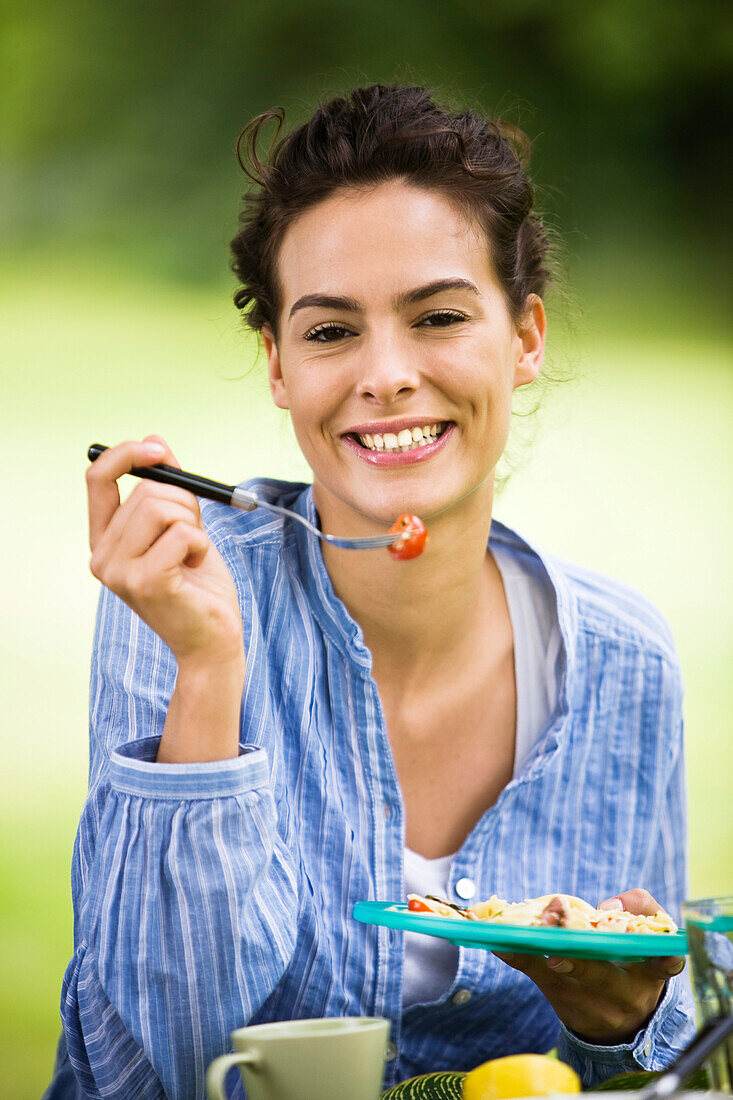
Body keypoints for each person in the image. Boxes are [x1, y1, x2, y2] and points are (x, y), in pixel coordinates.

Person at [45, 84, 695, 1100]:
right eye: (331, 331)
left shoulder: (626, 664)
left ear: (524, 338)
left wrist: (630, 1022)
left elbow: (666, 1065)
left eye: (436, 316)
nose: (386, 373)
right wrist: (211, 674)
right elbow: (158, 1066)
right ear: (277, 365)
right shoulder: (180, 611)